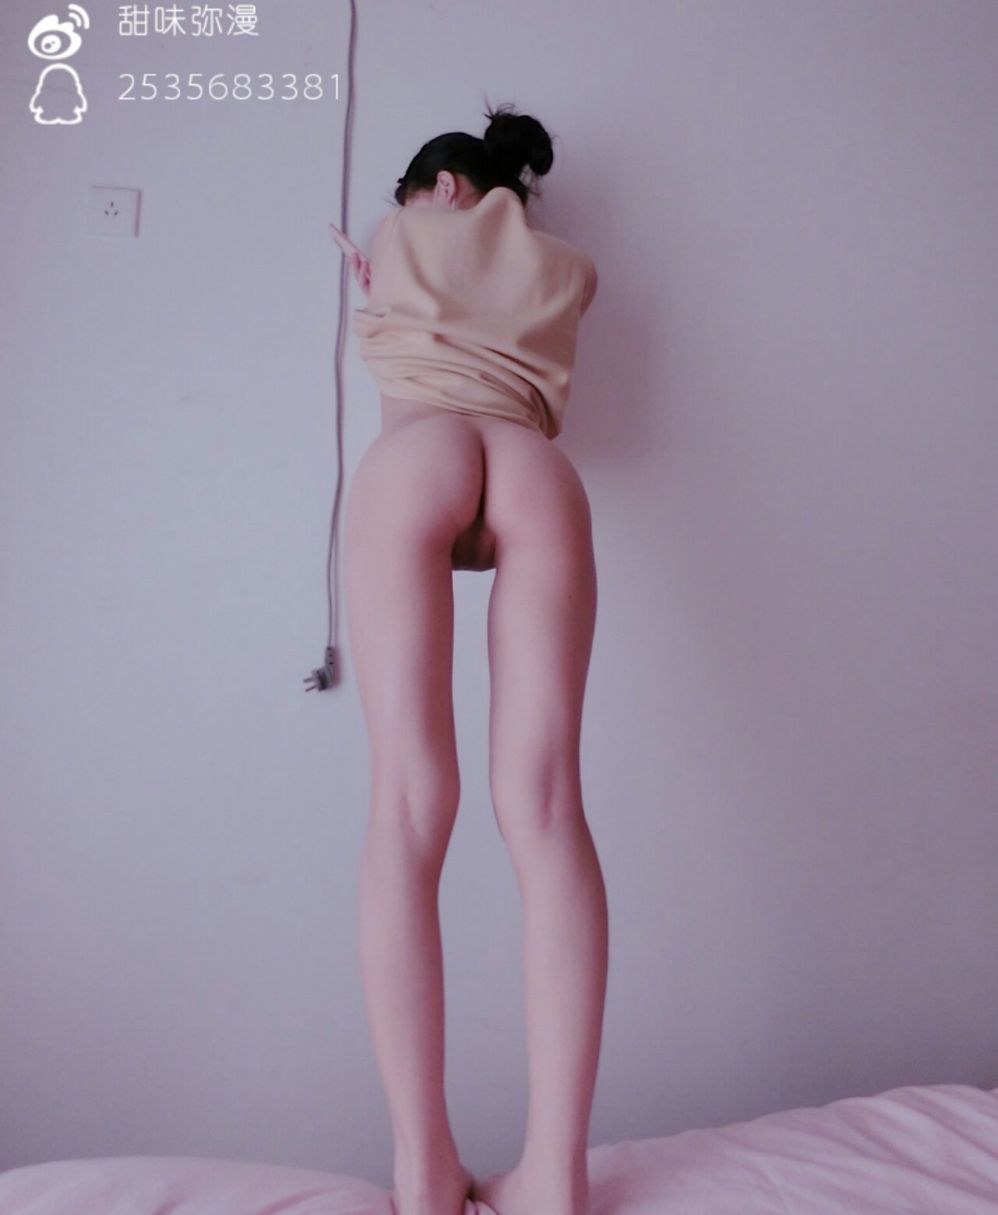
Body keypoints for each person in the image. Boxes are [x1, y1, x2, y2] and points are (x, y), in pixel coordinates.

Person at [333, 102, 608, 1215]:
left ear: (440, 188)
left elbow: (408, 301)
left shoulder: (401, 231)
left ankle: (423, 1166)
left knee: (409, 807)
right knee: (546, 808)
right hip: (533, 471)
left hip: (419, 455)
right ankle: (556, 1173)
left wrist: (379, 266)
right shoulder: (567, 267)